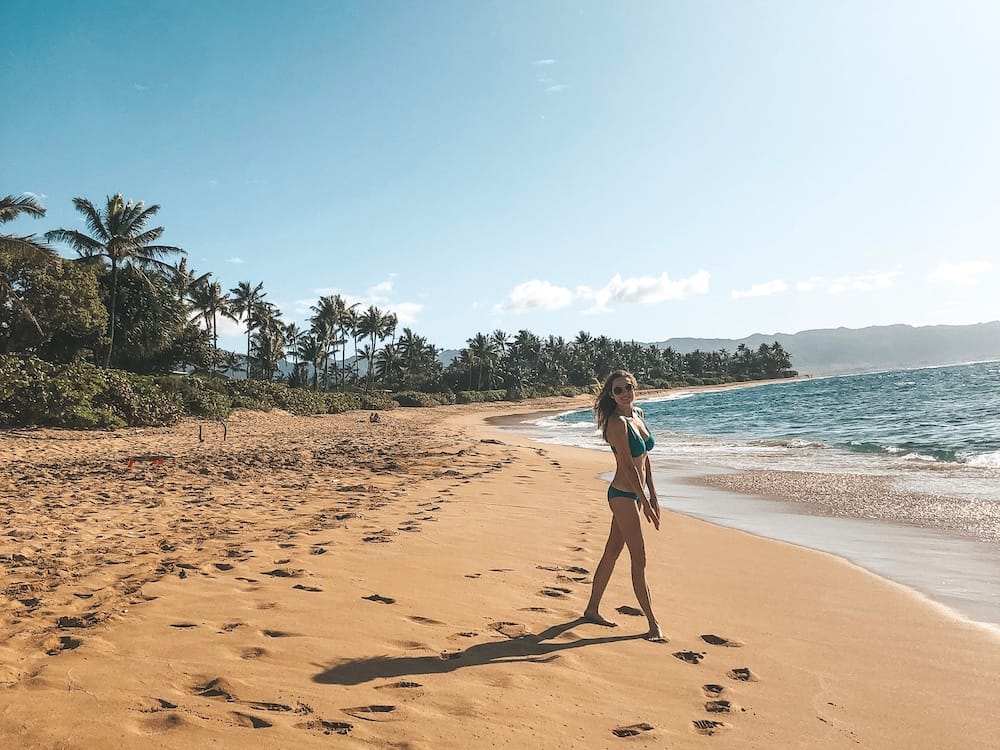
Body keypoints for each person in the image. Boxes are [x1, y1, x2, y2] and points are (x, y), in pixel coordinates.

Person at [583, 369, 664, 641]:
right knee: (639, 558)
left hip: (637, 495)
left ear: (634, 386)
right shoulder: (616, 423)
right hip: (622, 495)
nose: (624, 393)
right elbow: (628, 467)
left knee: (611, 552)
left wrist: (653, 493)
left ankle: (591, 609)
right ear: (611, 394)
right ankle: (653, 624)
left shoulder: (637, 415)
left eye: (627, 387)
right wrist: (644, 501)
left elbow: (645, 459)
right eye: (617, 390)